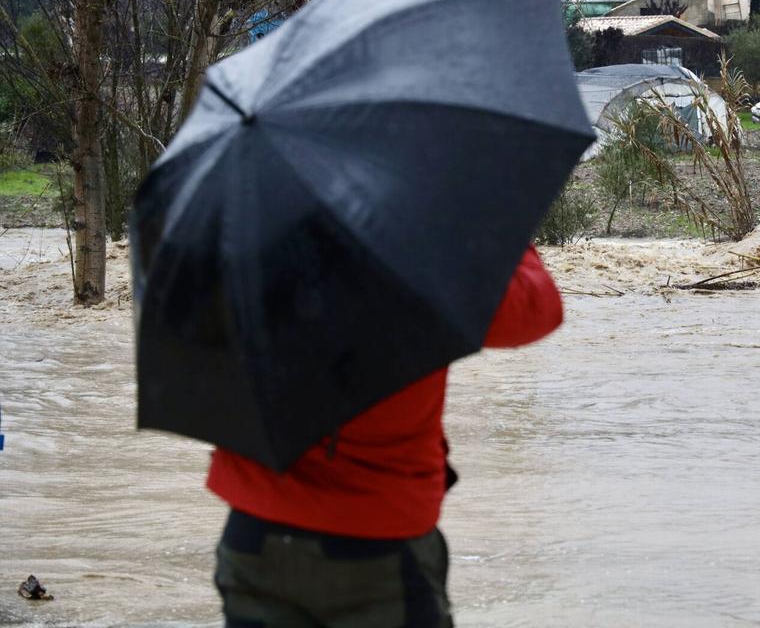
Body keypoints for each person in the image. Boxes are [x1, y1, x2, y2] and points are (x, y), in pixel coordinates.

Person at [207, 245, 563, 628]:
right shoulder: (419, 255)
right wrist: (505, 231)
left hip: (255, 530)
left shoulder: (251, 248)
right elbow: (534, 308)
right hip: (378, 539)